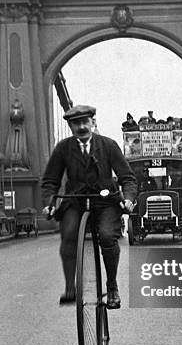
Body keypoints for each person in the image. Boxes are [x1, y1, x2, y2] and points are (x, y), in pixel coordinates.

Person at [41, 105, 137, 308]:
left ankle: (112, 287)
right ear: (70, 126)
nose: (82, 127)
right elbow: (50, 181)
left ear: (93, 122)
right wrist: (49, 202)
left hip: (105, 201)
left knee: (107, 235)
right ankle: (70, 287)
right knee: (68, 234)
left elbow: (127, 177)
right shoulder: (63, 149)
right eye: (76, 123)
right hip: (75, 201)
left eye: (85, 122)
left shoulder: (108, 146)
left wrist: (128, 198)